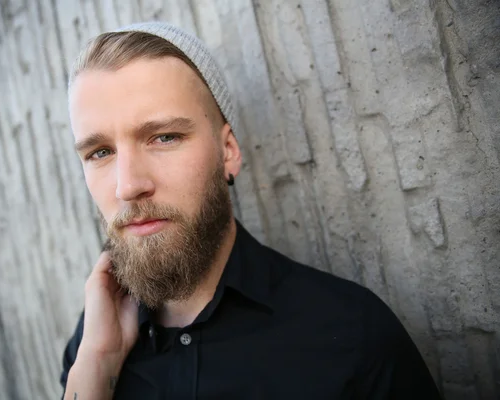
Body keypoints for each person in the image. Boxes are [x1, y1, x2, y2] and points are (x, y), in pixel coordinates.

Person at [60, 22, 442, 399]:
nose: (127, 186)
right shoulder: (92, 344)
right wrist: (96, 365)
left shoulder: (352, 336)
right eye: (100, 152)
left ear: (228, 151)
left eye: (164, 137)